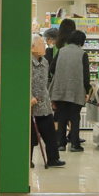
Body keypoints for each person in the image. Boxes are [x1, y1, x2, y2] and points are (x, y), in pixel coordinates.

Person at [50, 29, 91, 152]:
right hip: (76, 90)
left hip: (60, 89)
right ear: (81, 41)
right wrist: (87, 91)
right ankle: (74, 144)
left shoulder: (61, 51)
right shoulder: (82, 54)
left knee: (61, 116)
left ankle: (61, 143)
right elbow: (86, 75)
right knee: (74, 117)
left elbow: (51, 68)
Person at [30, 37, 64, 168]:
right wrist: (30, 97)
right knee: (31, 137)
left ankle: (53, 159)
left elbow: (46, 83)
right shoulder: (27, 63)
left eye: (43, 45)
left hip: (44, 104)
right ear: (32, 48)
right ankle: (27, 160)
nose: (43, 48)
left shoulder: (45, 62)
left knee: (50, 134)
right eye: (40, 46)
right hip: (31, 105)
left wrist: (50, 99)